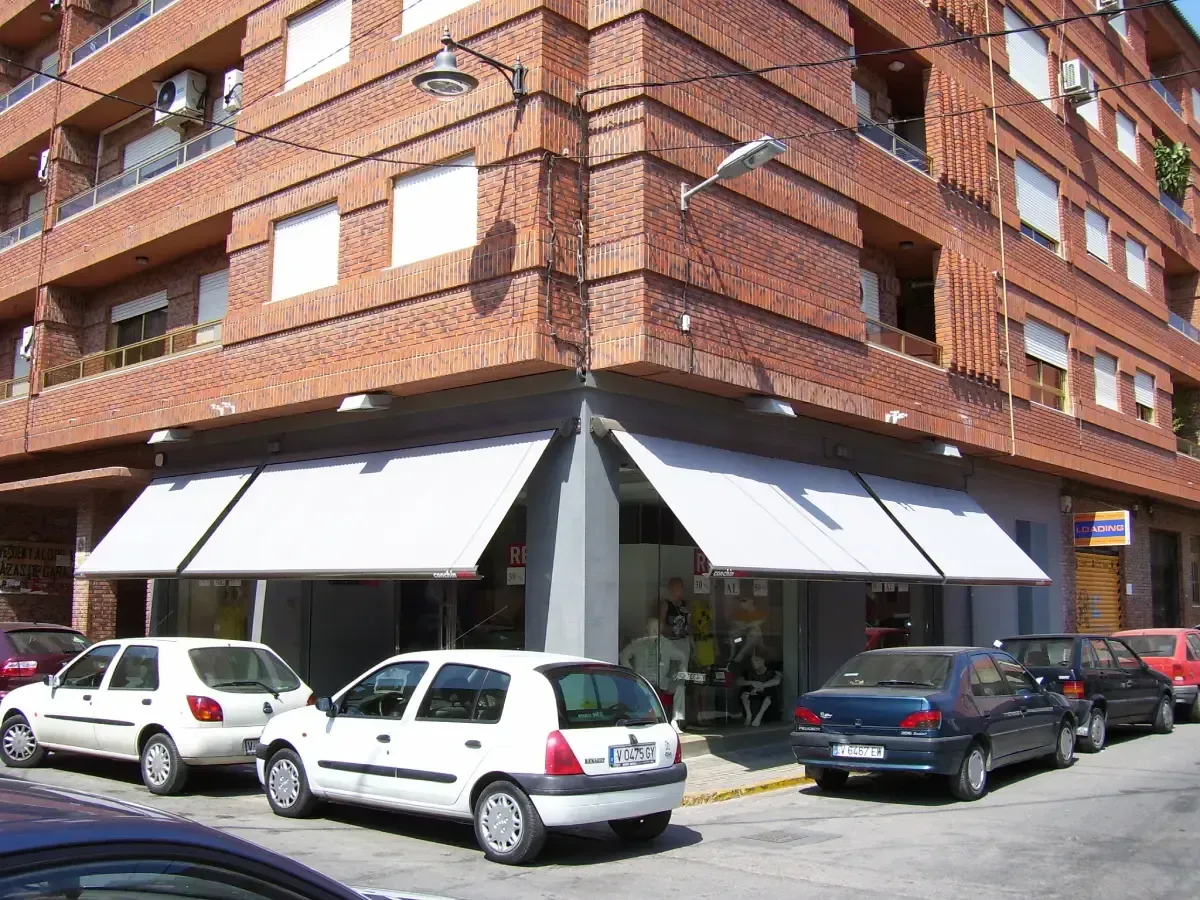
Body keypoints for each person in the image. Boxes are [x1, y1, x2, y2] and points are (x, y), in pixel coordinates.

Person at [619, 616, 688, 731]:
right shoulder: (638, 644)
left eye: (657, 628)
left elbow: (682, 656)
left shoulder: (666, 644)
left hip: (662, 680)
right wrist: (632, 673)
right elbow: (623, 655)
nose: (655, 631)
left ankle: (675, 721)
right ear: (647, 629)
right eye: (652, 628)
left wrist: (682, 670)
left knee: (680, 687)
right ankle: (643, 721)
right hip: (643, 681)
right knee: (636, 691)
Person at [737, 654, 781, 727]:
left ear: (763, 660)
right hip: (752, 695)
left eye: (757, 660)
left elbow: (776, 681)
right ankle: (749, 715)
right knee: (744, 693)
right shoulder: (748, 672)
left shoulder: (771, 672)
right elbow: (739, 682)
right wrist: (752, 683)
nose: (754, 663)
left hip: (766, 696)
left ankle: (759, 716)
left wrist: (759, 687)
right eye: (752, 661)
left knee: (770, 693)